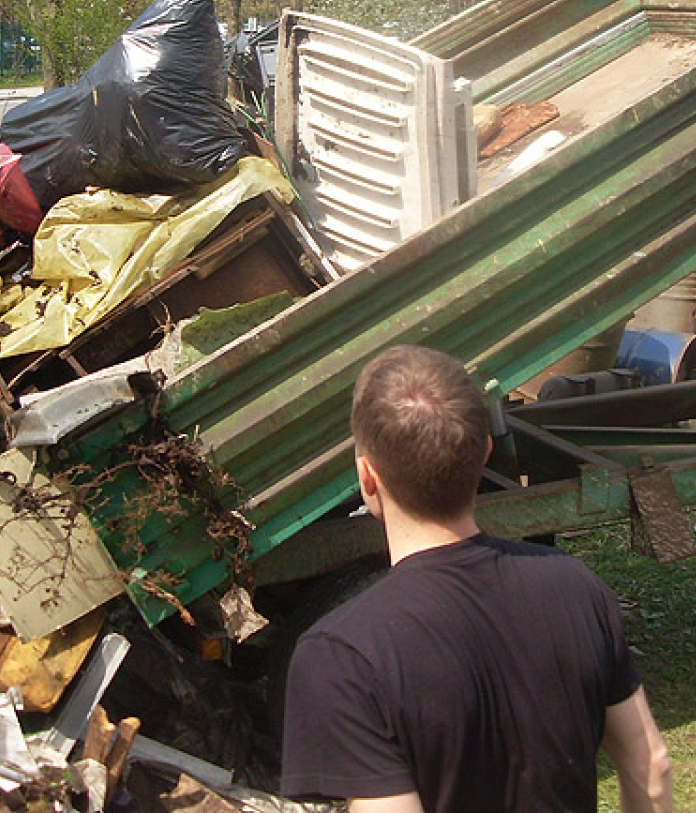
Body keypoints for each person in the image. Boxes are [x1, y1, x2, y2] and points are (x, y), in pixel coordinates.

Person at [280, 344, 672, 813]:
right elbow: (650, 767)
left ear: (367, 476)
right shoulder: (576, 586)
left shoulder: (342, 654)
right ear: (484, 452)